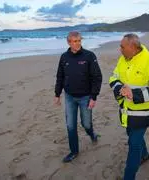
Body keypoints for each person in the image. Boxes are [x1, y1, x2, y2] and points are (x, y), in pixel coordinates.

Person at [109, 33, 149, 180]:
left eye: (122, 46)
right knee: (132, 136)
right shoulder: (122, 59)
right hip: (126, 111)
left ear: (133, 47)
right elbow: (114, 77)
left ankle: (128, 177)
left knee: (134, 144)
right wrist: (119, 88)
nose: (119, 49)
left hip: (144, 113)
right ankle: (145, 155)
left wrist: (132, 94)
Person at [54, 31, 102, 163]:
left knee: (86, 124)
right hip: (69, 97)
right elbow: (60, 76)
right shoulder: (64, 57)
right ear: (69, 42)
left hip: (85, 97)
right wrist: (57, 94)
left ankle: (92, 134)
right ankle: (74, 151)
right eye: (75, 41)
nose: (78, 43)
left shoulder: (89, 56)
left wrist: (94, 97)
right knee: (70, 126)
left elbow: (97, 77)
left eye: (79, 41)